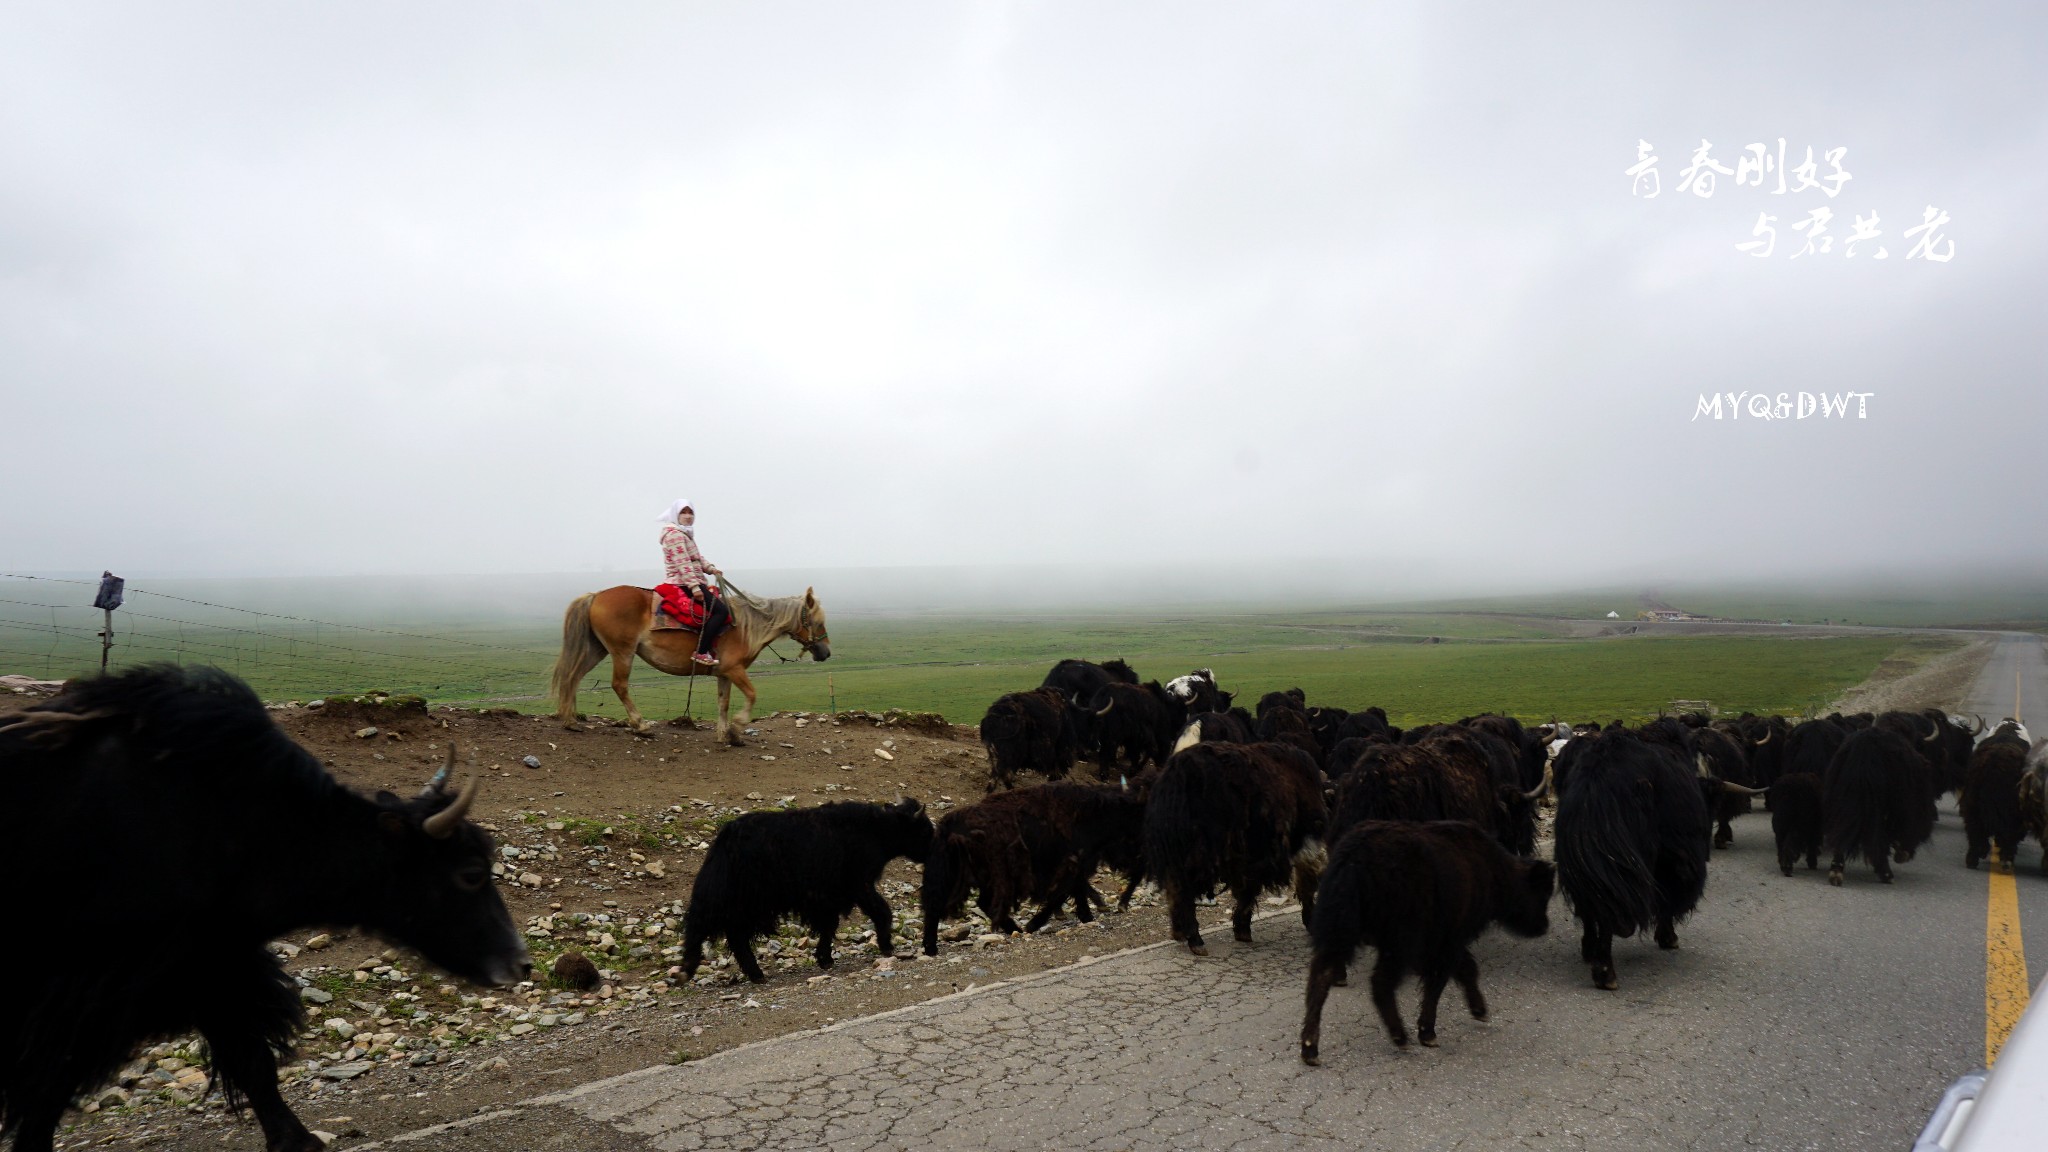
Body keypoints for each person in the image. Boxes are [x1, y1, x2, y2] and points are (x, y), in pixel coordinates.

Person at [657, 498, 730, 666]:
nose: (688, 516)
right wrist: (695, 587)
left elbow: (696, 558)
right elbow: (683, 563)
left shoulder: (684, 533)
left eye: (691, 512)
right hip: (682, 582)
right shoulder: (675, 534)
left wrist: (711, 569)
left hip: (692, 580)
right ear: (676, 514)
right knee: (721, 612)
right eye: (683, 512)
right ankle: (701, 651)